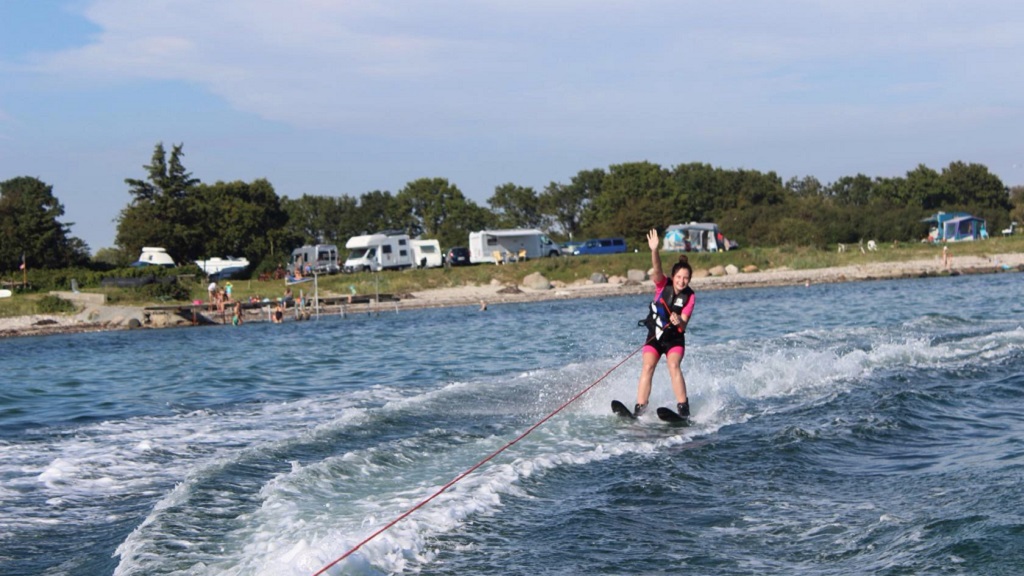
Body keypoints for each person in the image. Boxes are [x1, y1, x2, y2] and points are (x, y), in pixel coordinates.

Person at [634, 228, 695, 419]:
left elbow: (683, 326)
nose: (682, 281)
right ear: (673, 277)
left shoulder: (690, 297)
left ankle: (683, 408)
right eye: (679, 277)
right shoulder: (662, 284)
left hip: (674, 339)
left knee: (673, 365)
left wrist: (679, 321)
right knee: (648, 366)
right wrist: (654, 250)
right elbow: (657, 268)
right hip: (655, 335)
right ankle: (640, 408)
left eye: (686, 278)